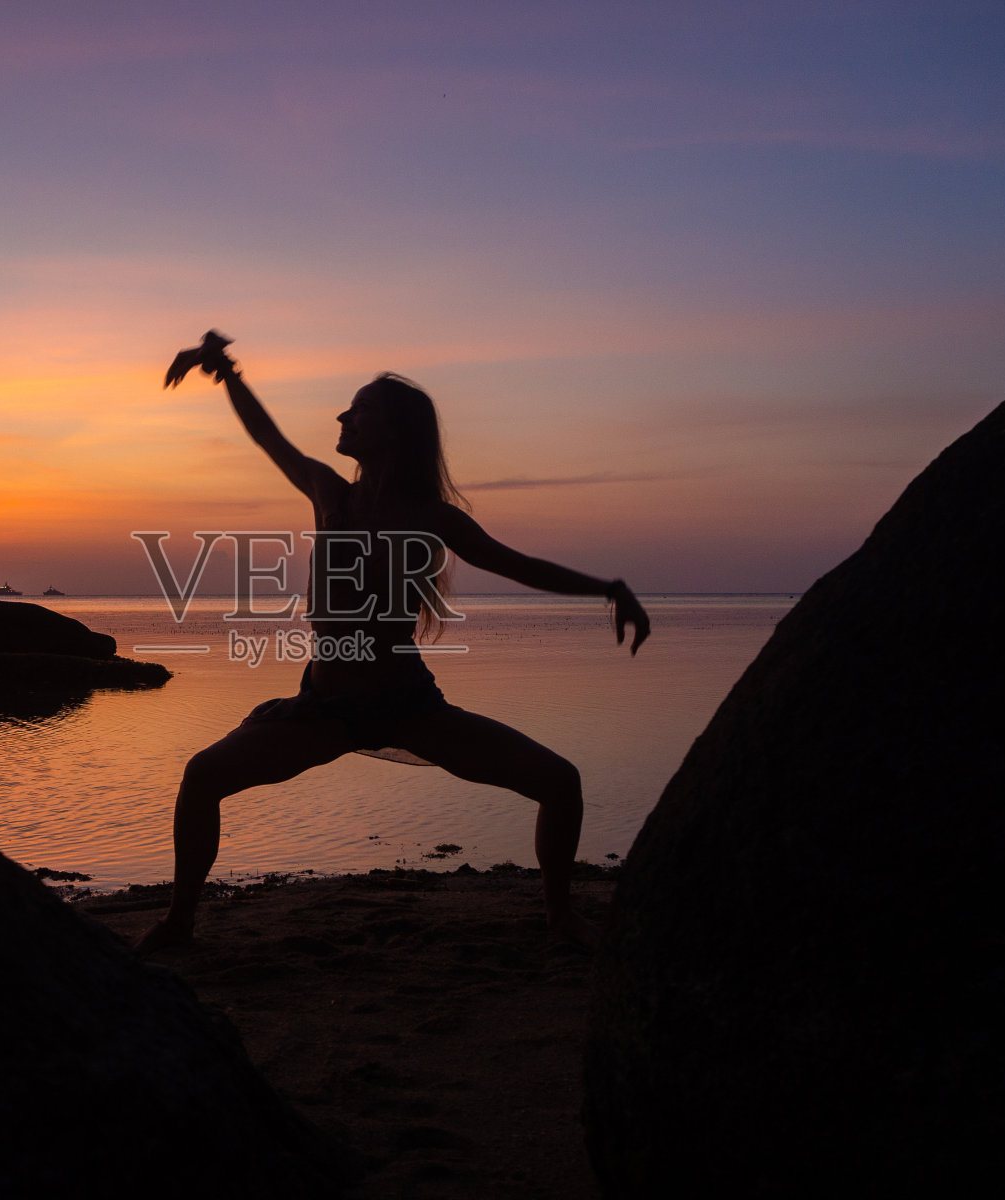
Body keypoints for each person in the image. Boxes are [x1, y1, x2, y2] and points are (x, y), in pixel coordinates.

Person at [138, 331, 649, 953]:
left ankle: (560, 915)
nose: (343, 416)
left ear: (396, 432)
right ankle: (179, 922)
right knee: (202, 776)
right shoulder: (330, 493)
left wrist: (609, 588)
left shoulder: (432, 518)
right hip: (322, 710)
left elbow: (516, 565)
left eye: (360, 409)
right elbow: (269, 437)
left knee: (560, 782)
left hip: (410, 706)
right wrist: (225, 371)